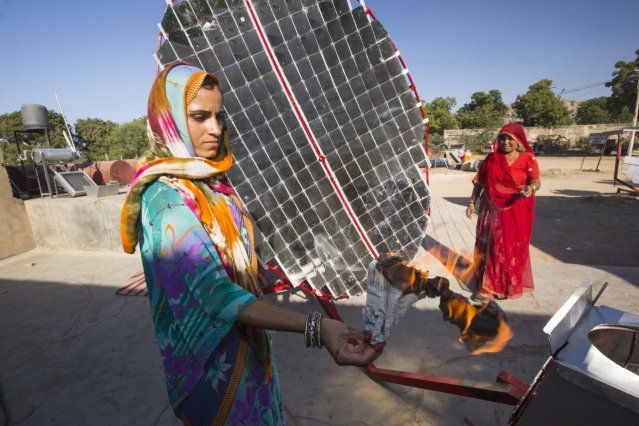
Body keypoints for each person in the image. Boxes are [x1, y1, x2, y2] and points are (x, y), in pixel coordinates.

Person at [120, 62, 384, 425]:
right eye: (199, 117)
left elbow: (237, 264)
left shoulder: (213, 185)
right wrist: (317, 328)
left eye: (219, 116)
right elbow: (215, 294)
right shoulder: (166, 200)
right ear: (168, 120)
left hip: (249, 350)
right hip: (212, 367)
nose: (215, 129)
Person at [465, 123, 541, 300]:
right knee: (492, 245)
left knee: (511, 247)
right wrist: (471, 202)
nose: (505, 142)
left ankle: (507, 285)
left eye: (510, 139)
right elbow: (480, 183)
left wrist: (530, 188)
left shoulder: (528, 158)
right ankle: (488, 287)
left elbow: (536, 180)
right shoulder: (491, 159)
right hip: (491, 209)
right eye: (502, 138)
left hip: (516, 209)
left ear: (518, 141)